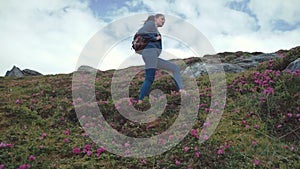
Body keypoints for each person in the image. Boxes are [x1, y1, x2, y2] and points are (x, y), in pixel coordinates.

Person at [137, 14, 185, 104]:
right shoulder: (151, 24)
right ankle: (140, 100)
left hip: (151, 55)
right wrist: (154, 38)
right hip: (150, 53)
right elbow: (141, 31)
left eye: (164, 20)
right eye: (162, 19)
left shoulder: (153, 28)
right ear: (156, 19)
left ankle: (141, 100)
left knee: (174, 68)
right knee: (149, 79)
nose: (163, 21)